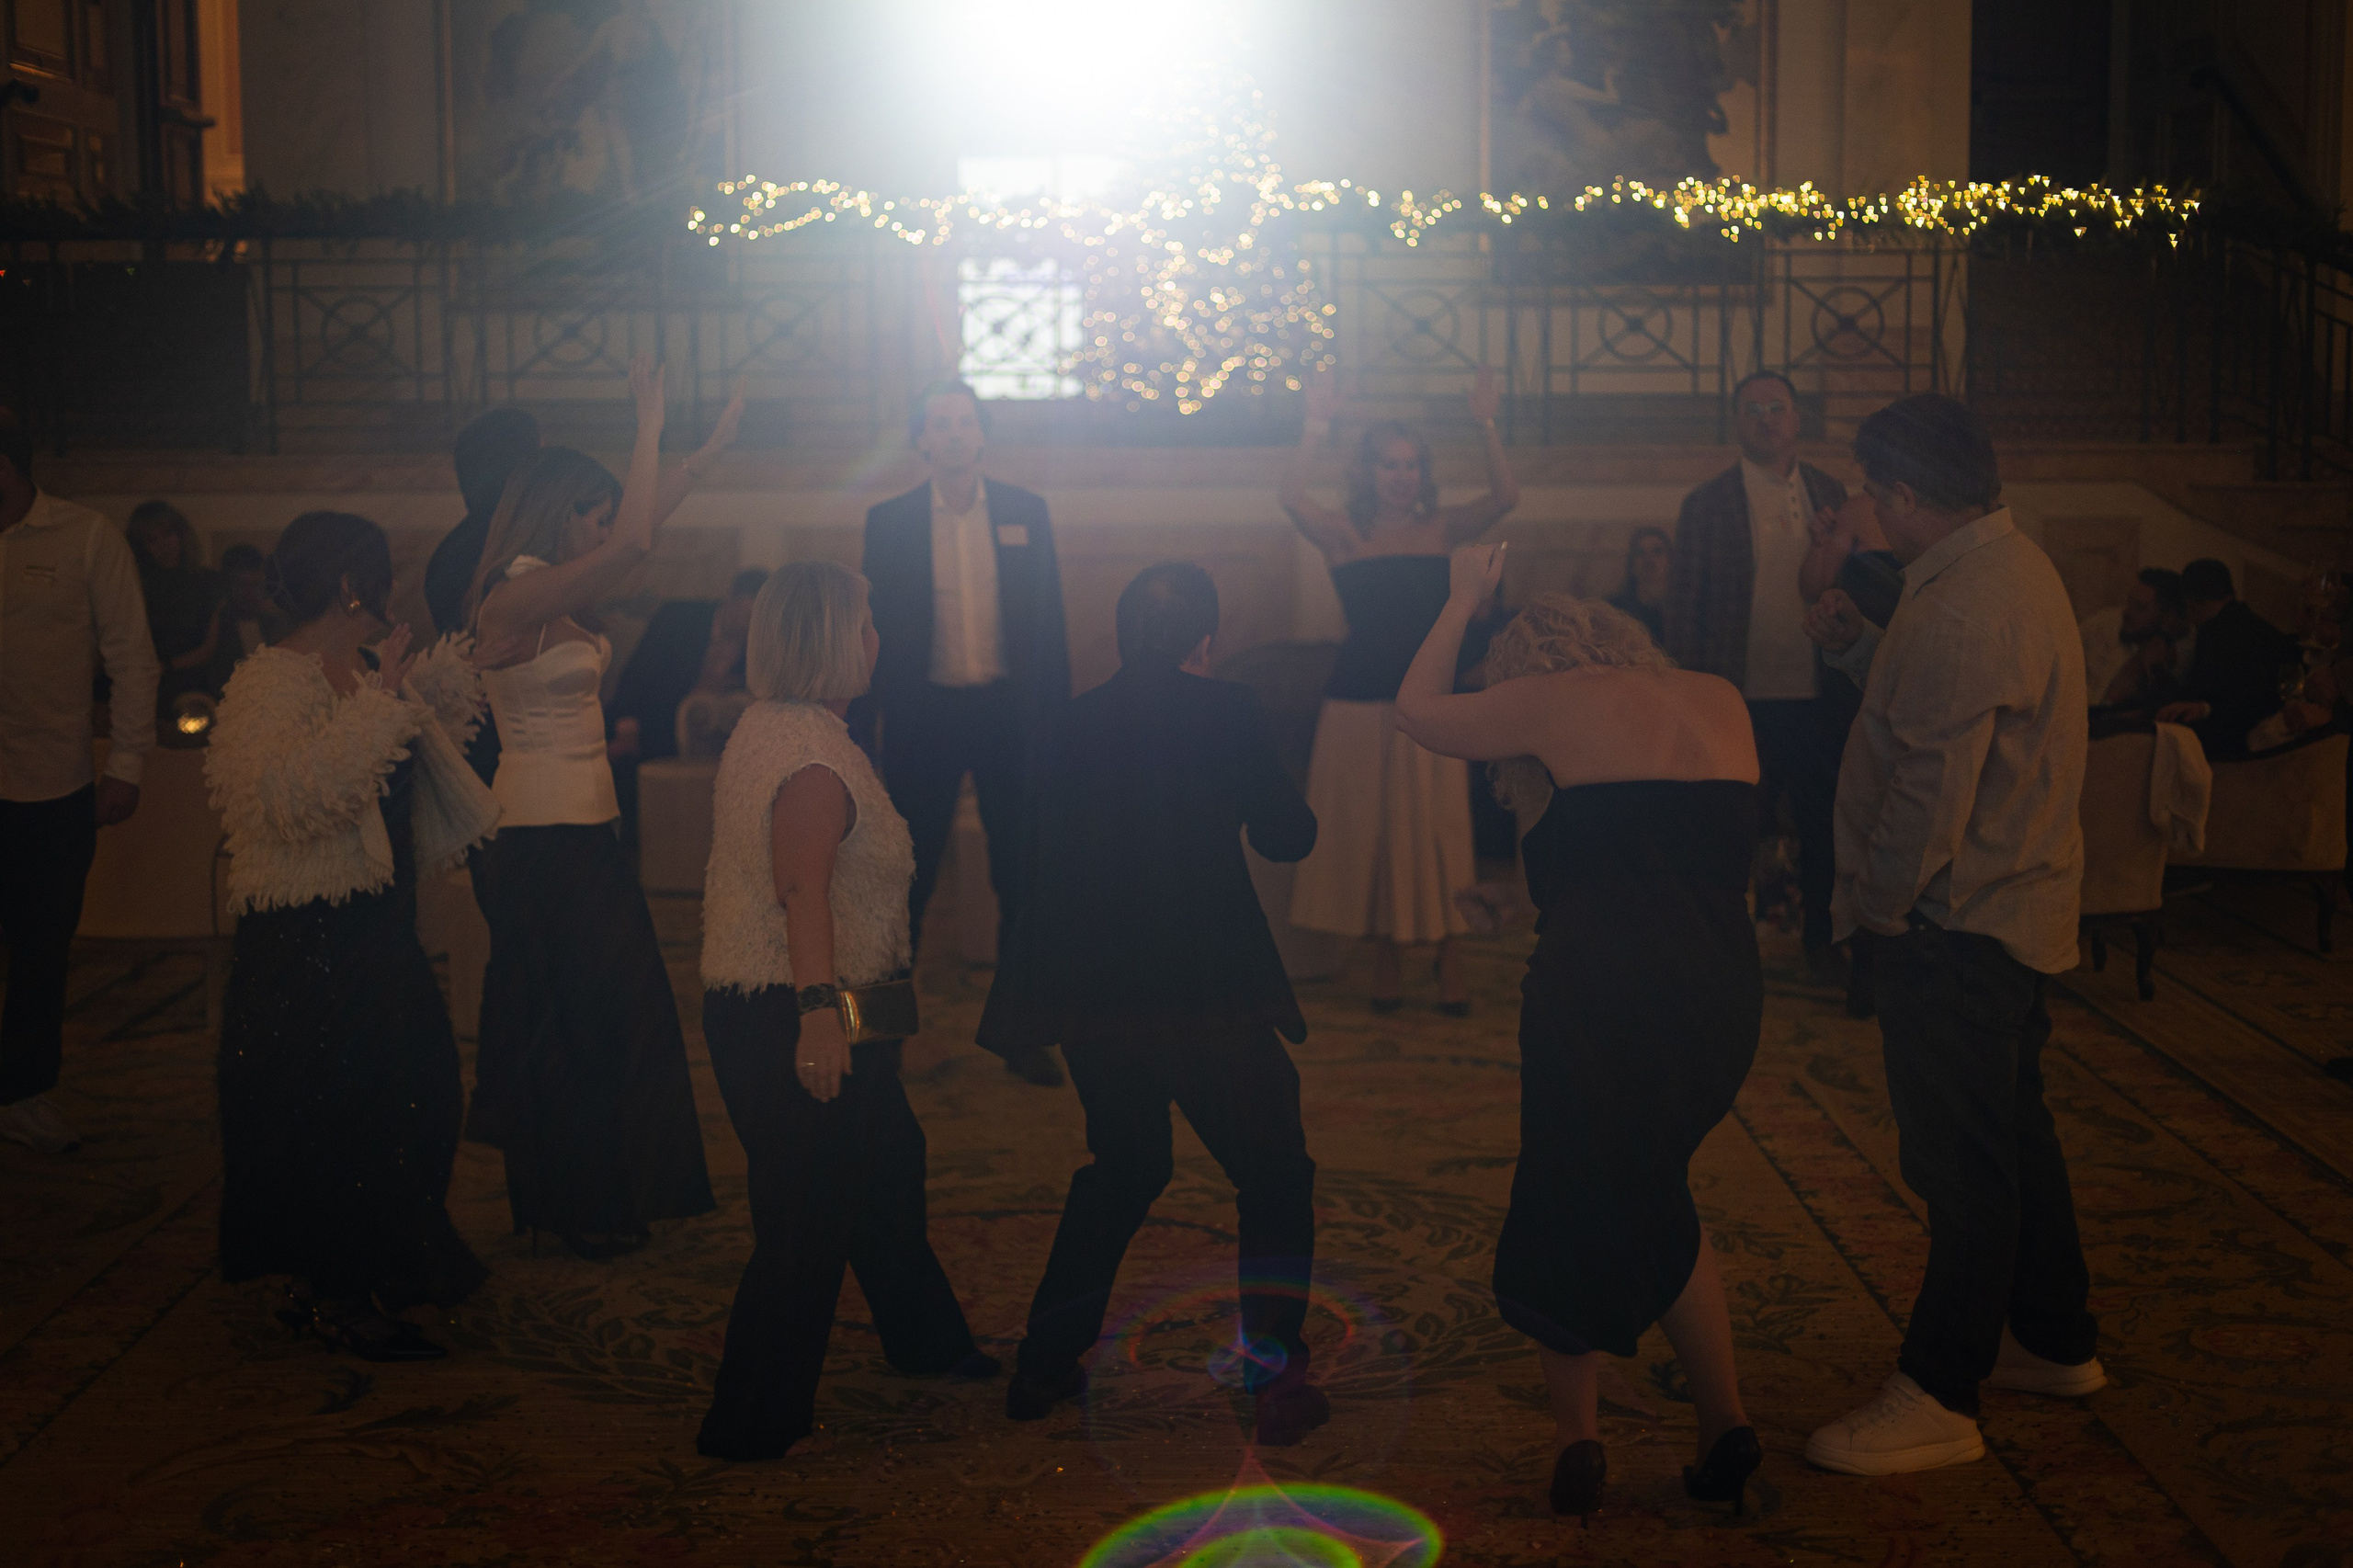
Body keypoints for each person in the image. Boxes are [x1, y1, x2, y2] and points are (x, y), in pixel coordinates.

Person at [1392, 543, 1765, 1522]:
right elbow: (1667, 863)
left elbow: (1416, 711)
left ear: (1529, 665)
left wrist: (1462, 599)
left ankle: (1578, 1441)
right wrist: (1522, 904)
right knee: (1652, 1183)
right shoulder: (1720, 697)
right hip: (1724, 988)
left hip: (1600, 991)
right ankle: (1724, 1422)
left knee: (1563, 1192)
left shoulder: (1554, 698)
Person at [1801, 394, 2102, 1477]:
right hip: (2004, 908)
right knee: (2013, 1133)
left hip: (1953, 924)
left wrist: (1878, 916)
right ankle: (2053, 1336)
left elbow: (1929, 796)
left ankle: (1938, 1390)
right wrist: (1856, 654)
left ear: (1905, 492)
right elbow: (1934, 718)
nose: (1864, 509)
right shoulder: (2003, 568)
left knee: (1960, 1165)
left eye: (1870, 490)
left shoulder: (1962, 607)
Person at [983, 563, 1327, 1445]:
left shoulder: (1070, 720)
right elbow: (1287, 836)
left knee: (1126, 1166)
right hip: (1208, 992)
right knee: (1274, 1174)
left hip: (1096, 994)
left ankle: (1043, 1362)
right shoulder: (1229, 710)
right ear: (1204, 643)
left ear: (1120, 636)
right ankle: (1276, 1381)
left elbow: (1038, 854)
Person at [698, 561, 996, 1461]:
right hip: (795, 1007)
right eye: (865, 622)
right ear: (831, 640)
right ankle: (751, 1418)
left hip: (804, 1000)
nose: (878, 637)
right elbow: (803, 893)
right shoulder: (813, 760)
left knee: (888, 1169)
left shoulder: (781, 723)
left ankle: (926, 1340)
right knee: (804, 1218)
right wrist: (819, 1016)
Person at [461, 358, 739, 1258]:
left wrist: (702, 458)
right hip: (538, 833)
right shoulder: (511, 591)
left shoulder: (558, 582)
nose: (605, 528)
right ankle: (575, 1202)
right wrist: (647, 423)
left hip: (581, 829)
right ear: (560, 512)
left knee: (610, 1013)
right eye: (593, 513)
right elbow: (633, 546)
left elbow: (634, 532)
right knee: (574, 1020)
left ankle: (597, 1194)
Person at [206, 511, 497, 1360]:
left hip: (376, 926)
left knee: (418, 1096)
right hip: (308, 935)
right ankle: (335, 1291)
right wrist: (381, 708)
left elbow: (407, 759)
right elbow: (287, 799)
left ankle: (357, 1269)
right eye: (383, 568)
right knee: (340, 1117)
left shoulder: (366, 669)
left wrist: (428, 687)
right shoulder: (271, 681)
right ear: (348, 584)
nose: (394, 581)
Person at [1279, 366, 1520, 1014]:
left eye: (1411, 464)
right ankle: (1386, 954)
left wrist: (1486, 421)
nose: (1401, 476)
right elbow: (1290, 497)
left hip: (1427, 699)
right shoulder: (1345, 533)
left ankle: (1450, 954)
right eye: (1389, 464)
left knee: (1439, 832)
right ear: (1368, 472)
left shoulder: (1441, 528)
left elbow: (1506, 495)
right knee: (1375, 833)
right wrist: (1315, 422)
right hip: (1357, 700)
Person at [854, 378, 1071, 1087]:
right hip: (925, 719)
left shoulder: (1025, 512)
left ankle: (1022, 1033)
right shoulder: (888, 522)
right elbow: (869, 633)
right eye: (940, 423)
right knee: (902, 881)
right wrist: (858, 730)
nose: (953, 434)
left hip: (1010, 718)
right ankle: (882, 1037)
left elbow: (1050, 629)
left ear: (981, 436)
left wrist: (1059, 731)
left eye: (964, 422)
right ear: (921, 440)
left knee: (1025, 879)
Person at [0, 413, 159, 1154]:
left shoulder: (86, 537)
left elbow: (132, 656)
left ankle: (24, 1091)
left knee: (40, 951)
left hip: (52, 787)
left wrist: (125, 765)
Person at [1662, 369, 1852, 980]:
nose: (1767, 419)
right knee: (1730, 827)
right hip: (1734, 695)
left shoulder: (1831, 492)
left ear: (1797, 417)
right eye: (1753, 410)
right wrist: (1689, 699)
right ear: (1736, 423)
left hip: (1816, 693)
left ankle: (1821, 941)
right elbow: (1683, 609)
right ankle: (1720, 946)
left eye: (1777, 407)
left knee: (1823, 826)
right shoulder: (1707, 503)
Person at [2154, 558, 2300, 756]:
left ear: (2189, 603)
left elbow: (2191, 701)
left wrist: (2157, 668)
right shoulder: (2255, 627)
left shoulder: (2217, 634)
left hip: (2232, 748)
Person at [126, 499, 229, 703]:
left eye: (167, 534)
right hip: (146, 686)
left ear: (181, 535)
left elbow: (209, 647)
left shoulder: (207, 582)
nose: (163, 545)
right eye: (152, 540)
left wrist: (166, 666)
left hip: (195, 687)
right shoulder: (136, 588)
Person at [216, 543, 283, 670]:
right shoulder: (217, 627)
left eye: (256, 585)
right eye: (242, 585)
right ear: (228, 586)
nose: (250, 593)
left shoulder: (275, 625)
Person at [1605, 526, 1671, 646]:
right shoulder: (1614, 609)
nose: (1649, 559)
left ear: (1670, 560)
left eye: (1657, 551)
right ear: (1631, 563)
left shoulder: (1682, 611)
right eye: (1640, 553)